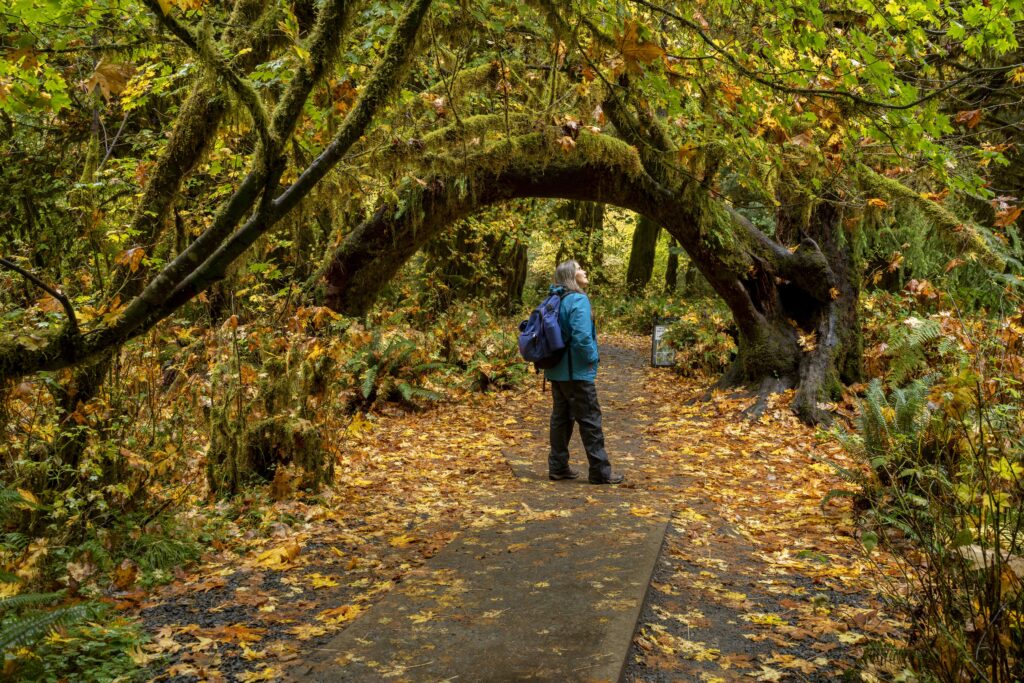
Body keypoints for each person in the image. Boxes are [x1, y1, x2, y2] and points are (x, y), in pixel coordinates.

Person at [545, 260, 623, 485]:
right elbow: (581, 335)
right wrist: (592, 358)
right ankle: (600, 471)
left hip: (557, 371)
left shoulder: (555, 298)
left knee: (561, 419)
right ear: (571, 275)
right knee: (590, 420)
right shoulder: (578, 299)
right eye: (579, 269)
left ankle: (558, 467)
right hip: (576, 372)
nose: (584, 271)